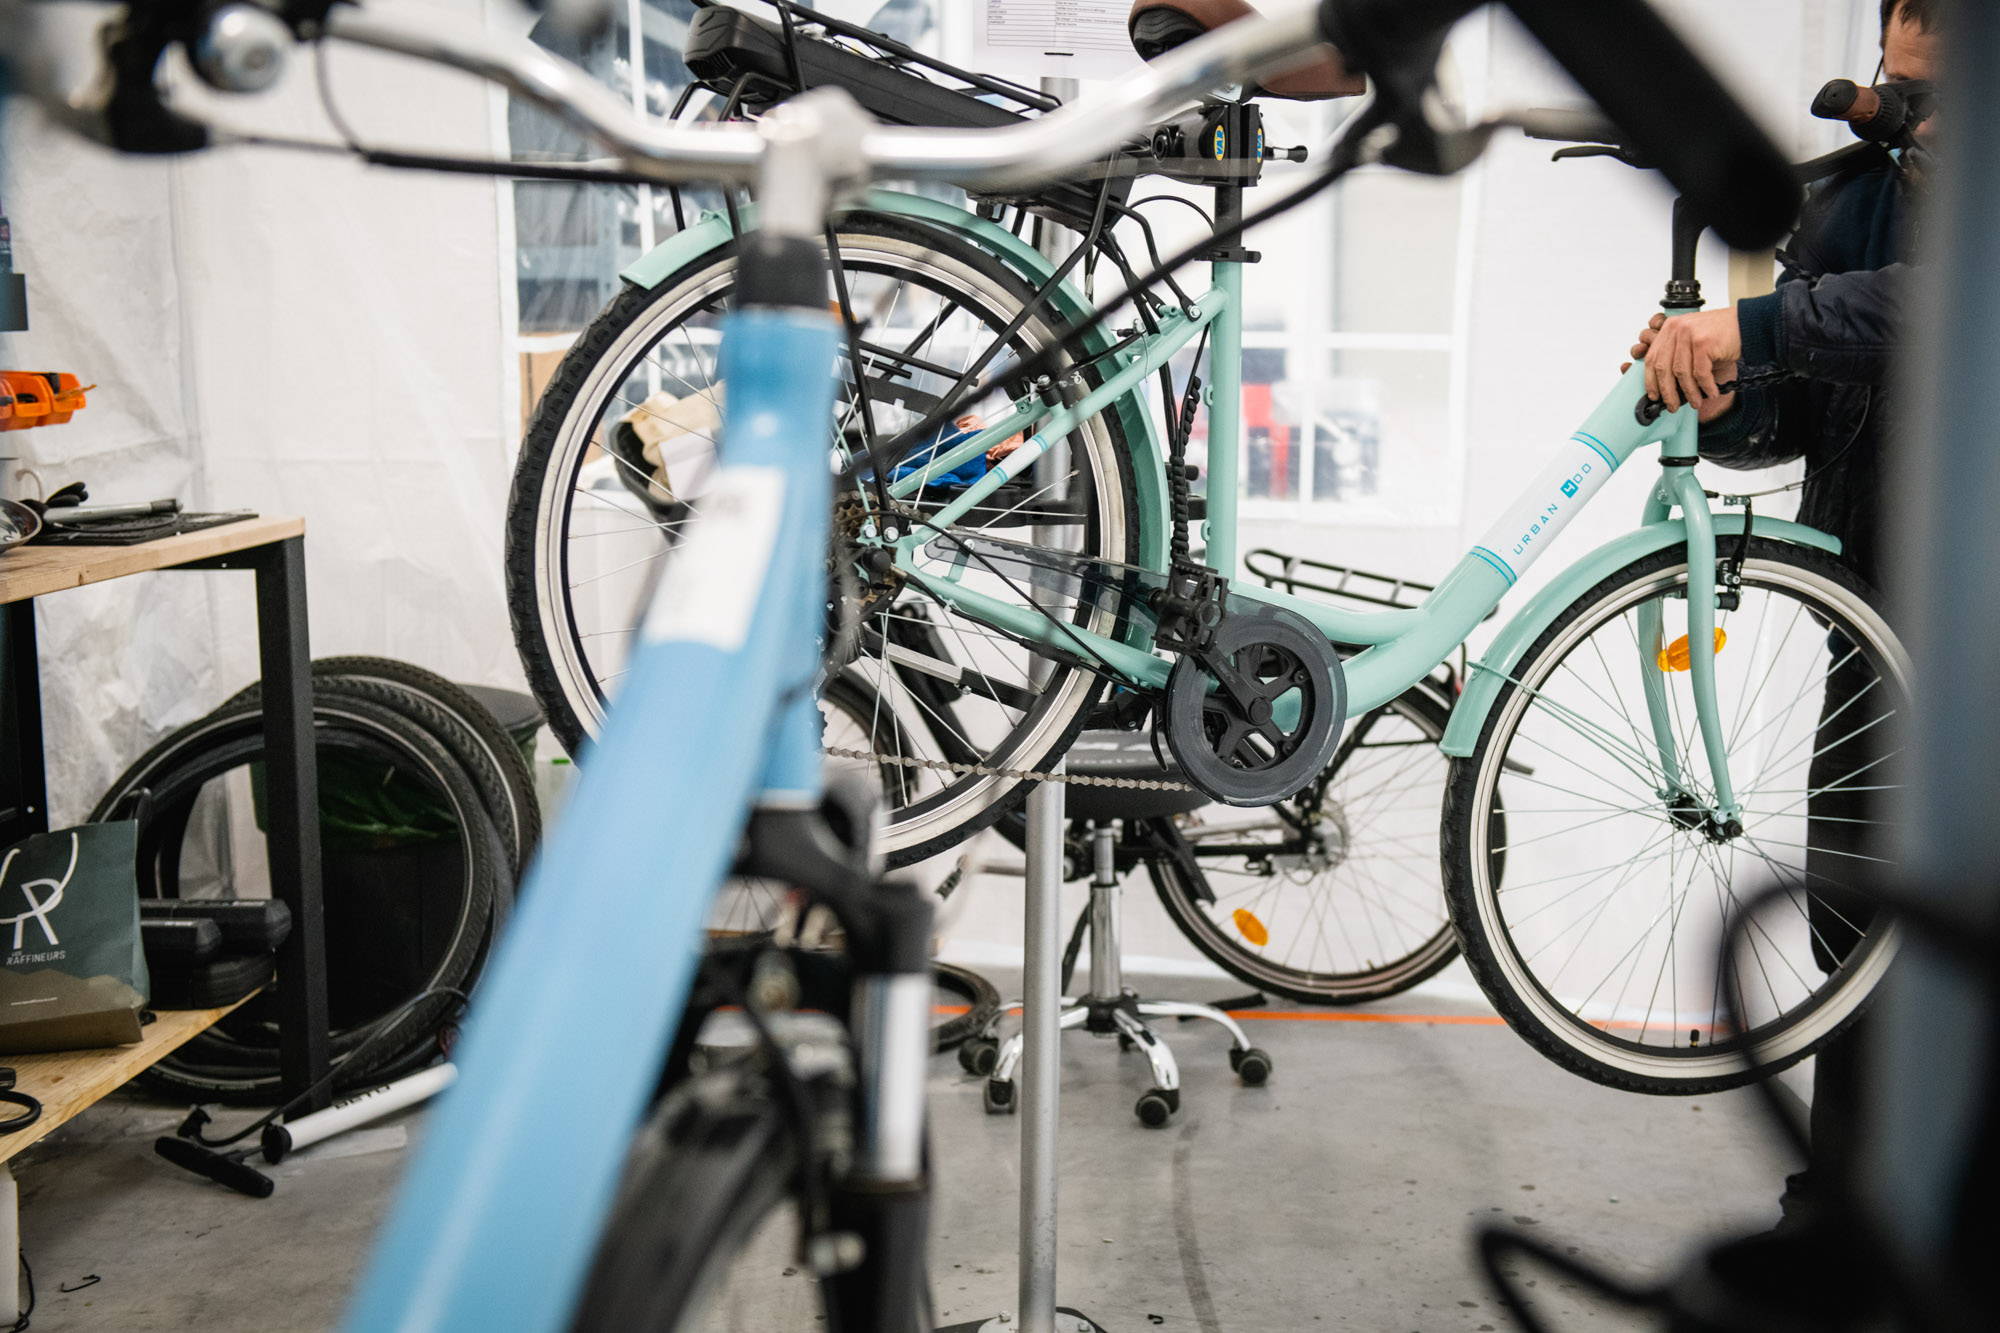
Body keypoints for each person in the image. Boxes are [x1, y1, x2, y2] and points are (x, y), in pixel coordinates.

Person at [1627, 0, 1937, 1226]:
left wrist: (1753, 322)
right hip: (1871, 631)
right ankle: (1842, 1219)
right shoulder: (1850, 198)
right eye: (1895, 73)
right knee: (1856, 935)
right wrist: (1713, 384)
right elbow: (1796, 415)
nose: (1904, 113)